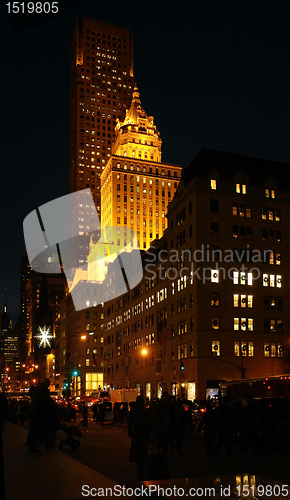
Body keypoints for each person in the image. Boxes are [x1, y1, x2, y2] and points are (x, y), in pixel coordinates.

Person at [128, 395, 151, 480]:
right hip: (144, 434)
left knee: (138, 454)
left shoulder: (134, 411)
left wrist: (130, 431)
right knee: (145, 452)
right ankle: (144, 468)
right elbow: (150, 423)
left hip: (137, 433)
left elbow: (130, 422)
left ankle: (140, 471)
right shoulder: (146, 411)